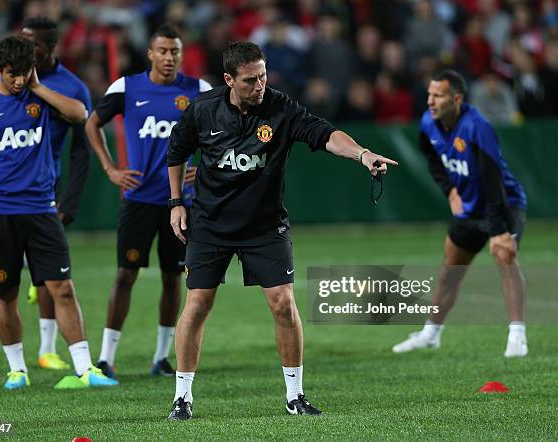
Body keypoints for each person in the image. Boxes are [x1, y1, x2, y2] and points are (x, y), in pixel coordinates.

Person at [165, 41, 397, 420]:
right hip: (210, 224)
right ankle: (182, 396)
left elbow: (325, 134)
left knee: (283, 304)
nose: (260, 85)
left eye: (263, 76)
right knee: (197, 304)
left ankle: (295, 396)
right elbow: (176, 153)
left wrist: (363, 154)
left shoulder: (281, 108)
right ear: (228, 79)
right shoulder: (203, 111)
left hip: (265, 225)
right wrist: (176, 204)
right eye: (250, 80)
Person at [0, 35, 117, 389]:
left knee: (62, 287)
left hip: (42, 210)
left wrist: (37, 86)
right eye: (12, 74)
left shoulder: (43, 100)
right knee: (6, 292)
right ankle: (17, 369)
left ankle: (84, 368)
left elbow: (80, 114)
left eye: (24, 72)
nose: (18, 80)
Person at [85, 24, 211, 379]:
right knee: (126, 274)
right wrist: (110, 168)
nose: (169, 57)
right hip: (139, 199)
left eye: (175, 51)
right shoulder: (127, 88)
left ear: (181, 55)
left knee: (174, 278)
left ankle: (161, 357)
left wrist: (204, 168)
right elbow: (92, 124)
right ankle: (106, 358)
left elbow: (227, 132)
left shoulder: (199, 91)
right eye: (163, 51)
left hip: (180, 203)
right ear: (150, 54)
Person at [392, 70, 528, 357]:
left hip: (503, 203)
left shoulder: (477, 126)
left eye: (438, 95)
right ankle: (430, 334)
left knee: (505, 257)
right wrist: (450, 191)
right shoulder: (429, 122)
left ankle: (517, 337)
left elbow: (492, 180)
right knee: (449, 272)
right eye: (429, 94)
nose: (430, 101)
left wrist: (498, 229)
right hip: (468, 206)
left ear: (456, 98)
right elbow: (429, 155)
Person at [20, 16, 93, 371]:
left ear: (50, 47)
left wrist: (71, 201)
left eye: (32, 44)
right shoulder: (10, 76)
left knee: (53, 277)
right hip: (1, 188)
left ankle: (47, 350)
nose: (25, 49)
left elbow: (81, 150)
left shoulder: (72, 87)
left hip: (45, 189)